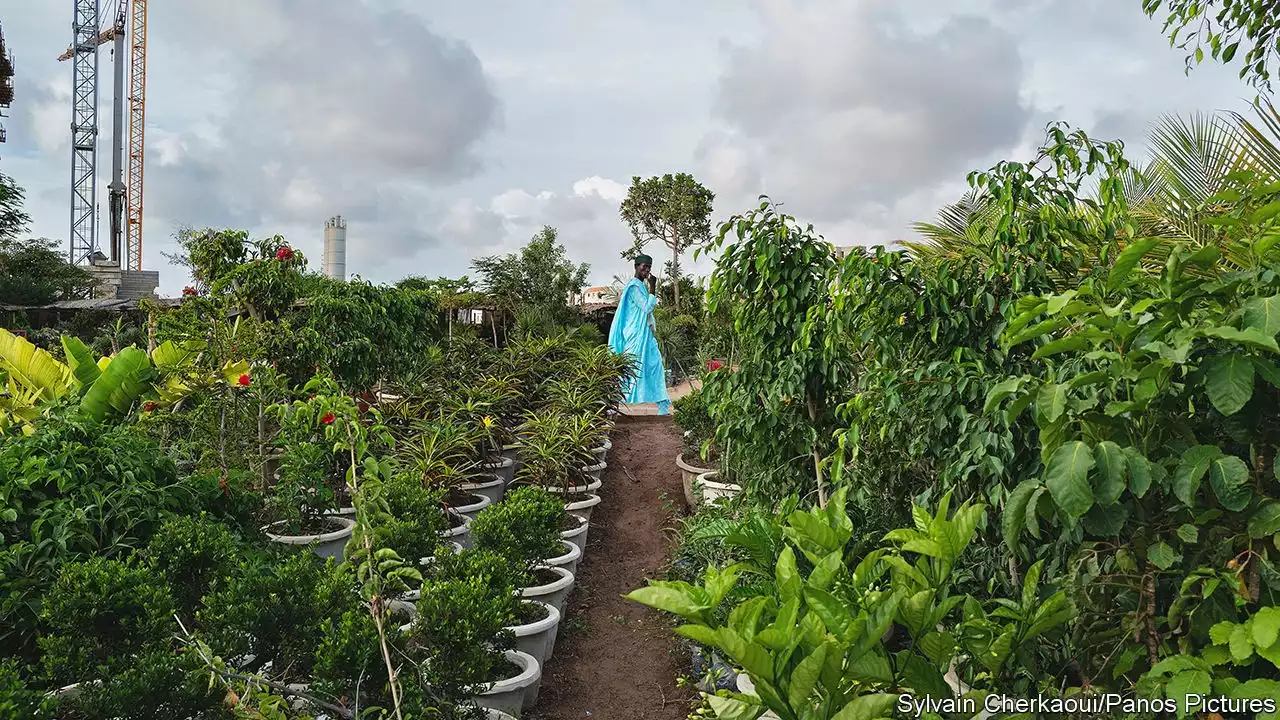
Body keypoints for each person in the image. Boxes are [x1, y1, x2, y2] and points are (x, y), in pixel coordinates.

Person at [608, 254, 671, 415]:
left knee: (655, 365)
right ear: (636, 267)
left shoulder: (640, 286)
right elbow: (646, 307)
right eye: (644, 267)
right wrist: (653, 288)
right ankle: (619, 402)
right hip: (635, 334)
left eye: (649, 267)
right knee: (631, 368)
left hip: (645, 334)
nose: (647, 270)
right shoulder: (634, 287)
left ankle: (661, 403)